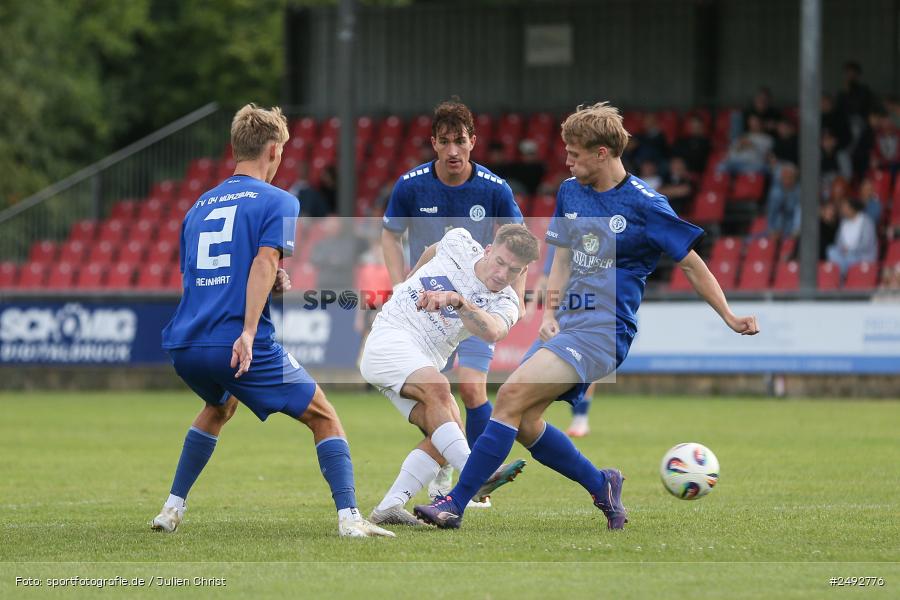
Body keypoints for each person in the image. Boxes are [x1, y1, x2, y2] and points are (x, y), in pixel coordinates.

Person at [415, 101, 759, 531]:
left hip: (606, 328)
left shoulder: (646, 205)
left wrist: (727, 315)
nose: (567, 160)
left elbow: (691, 263)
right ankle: (602, 484)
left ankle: (454, 504)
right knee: (523, 421)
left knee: (508, 398)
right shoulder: (570, 191)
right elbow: (560, 254)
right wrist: (551, 310)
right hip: (569, 323)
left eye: (575, 154)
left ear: (602, 153)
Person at [152, 104, 393, 538]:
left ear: (233, 148)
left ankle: (170, 510)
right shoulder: (280, 200)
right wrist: (247, 332)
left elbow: (206, 275)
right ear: (274, 150)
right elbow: (262, 261)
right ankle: (350, 519)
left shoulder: (199, 206)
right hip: (236, 341)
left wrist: (269, 280)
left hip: (187, 342)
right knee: (324, 415)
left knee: (219, 405)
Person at [381, 99, 524, 505]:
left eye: (460, 141)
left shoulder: (494, 190)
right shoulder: (411, 186)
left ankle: (473, 482)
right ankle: (449, 470)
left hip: (475, 308)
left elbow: (520, 243)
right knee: (434, 403)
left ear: (473, 142)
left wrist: (518, 297)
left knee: (471, 389)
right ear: (434, 143)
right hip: (426, 312)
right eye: (444, 142)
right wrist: (398, 285)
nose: (453, 151)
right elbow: (390, 235)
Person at [362, 225, 540, 526]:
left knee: (445, 435)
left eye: (513, 271)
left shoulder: (506, 302)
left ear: (522, 272)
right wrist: (407, 284)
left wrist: (458, 301)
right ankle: (477, 475)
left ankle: (390, 506)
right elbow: (432, 249)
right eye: (499, 262)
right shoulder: (459, 240)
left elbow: (494, 331)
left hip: (422, 359)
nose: (502, 274)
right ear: (487, 250)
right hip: (391, 337)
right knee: (440, 388)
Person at [827, 198, 878, 276]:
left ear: (852, 209)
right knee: (831, 250)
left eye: (844, 207)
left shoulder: (866, 222)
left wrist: (850, 250)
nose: (842, 210)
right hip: (844, 254)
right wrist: (842, 249)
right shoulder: (843, 222)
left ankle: (841, 277)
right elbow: (838, 241)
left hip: (860, 255)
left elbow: (866, 244)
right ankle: (842, 274)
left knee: (845, 260)